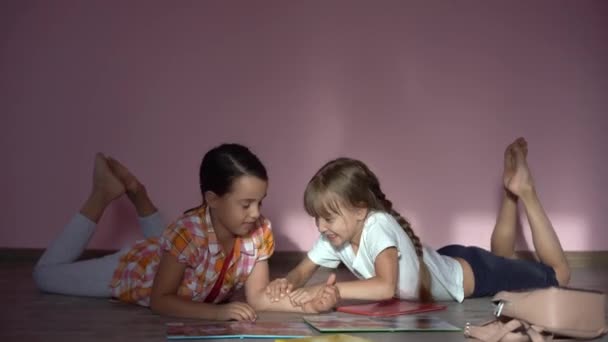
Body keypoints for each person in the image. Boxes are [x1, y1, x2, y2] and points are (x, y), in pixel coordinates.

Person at [34, 143, 339, 321]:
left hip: (179, 258)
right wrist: (219, 314)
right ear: (212, 200)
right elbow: (160, 300)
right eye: (246, 204)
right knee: (44, 276)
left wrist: (308, 305)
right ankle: (101, 194)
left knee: (172, 241)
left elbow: (258, 298)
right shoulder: (187, 232)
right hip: (137, 269)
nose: (257, 213)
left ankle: (138, 193)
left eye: (260, 202)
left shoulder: (259, 230)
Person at [266, 137, 570, 306]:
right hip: (444, 261)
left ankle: (525, 191)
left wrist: (333, 292)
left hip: (470, 275)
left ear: (360, 210)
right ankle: (510, 192)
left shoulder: (377, 225)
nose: (320, 226)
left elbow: (385, 287)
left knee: (560, 275)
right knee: (504, 259)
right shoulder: (336, 235)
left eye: (328, 217)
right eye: (316, 218)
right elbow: (302, 272)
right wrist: (286, 283)